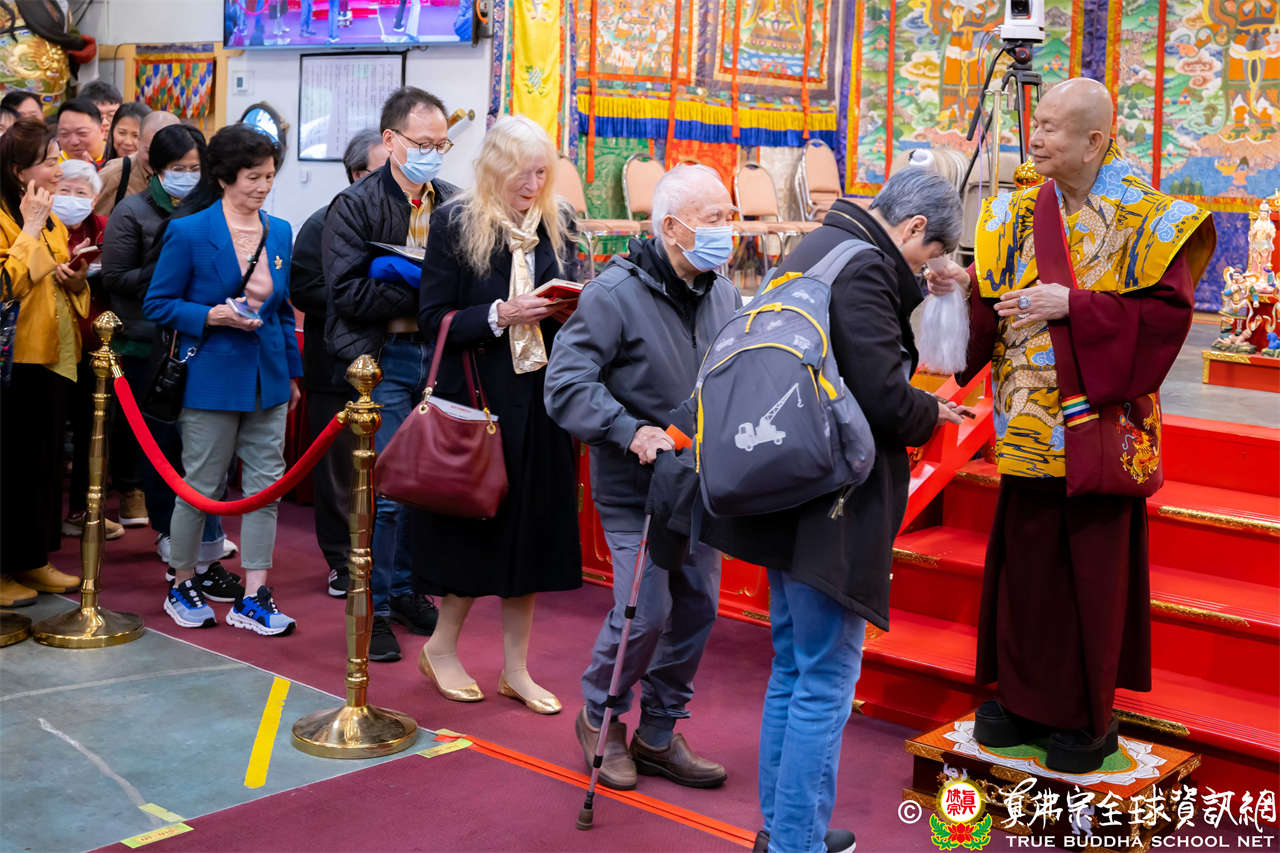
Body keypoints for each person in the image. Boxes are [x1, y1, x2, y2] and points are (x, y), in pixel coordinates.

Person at [956, 78, 1215, 774]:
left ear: (1095, 140)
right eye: (1036, 123)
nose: (1035, 136)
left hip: (1096, 431)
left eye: (1051, 126)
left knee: (1089, 579)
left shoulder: (1148, 218)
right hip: (1024, 428)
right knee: (1026, 573)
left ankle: (1085, 717)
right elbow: (989, 302)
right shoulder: (1015, 211)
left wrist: (1075, 305)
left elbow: (1166, 318)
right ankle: (1020, 701)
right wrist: (958, 292)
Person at [726, 168, 969, 853]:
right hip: (831, 499)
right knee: (826, 679)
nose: (923, 268)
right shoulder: (864, 268)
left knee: (794, 668)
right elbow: (883, 396)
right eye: (927, 254)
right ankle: (796, 842)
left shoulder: (820, 245)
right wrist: (933, 412)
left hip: (785, 484)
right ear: (915, 227)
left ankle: (785, 828)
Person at [544, 164, 739, 790]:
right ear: (673, 228)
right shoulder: (613, 293)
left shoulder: (724, 293)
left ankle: (658, 731)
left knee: (698, 608)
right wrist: (631, 430)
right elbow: (565, 383)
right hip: (637, 487)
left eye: (730, 215)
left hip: (699, 483)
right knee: (646, 611)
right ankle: (599, 718)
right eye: (714, 219)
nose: (728, 229)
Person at [411, 115, 582, 712]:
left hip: (541, 400)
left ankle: (516, 669)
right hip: (478, 402)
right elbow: (432, 320)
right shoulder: (456, 223)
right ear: (493, 169)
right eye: (521, 173)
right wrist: (499, 315)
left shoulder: (558, 223)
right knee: (473, 531)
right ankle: (441, 648)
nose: (533, 185)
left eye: (541, 173)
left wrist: (569, 310)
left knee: (531, 534)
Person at [143, 124, 302, 636]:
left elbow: (281, 312)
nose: (263, 186)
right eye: (253, 177)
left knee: (266, 488)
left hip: (267, 378)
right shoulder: (190, 232)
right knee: (201, 486)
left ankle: (254, 594)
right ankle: (182, 580)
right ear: (225, 177)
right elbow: (158, 304)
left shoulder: (280, 231)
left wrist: (292, 374)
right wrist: (211, 315)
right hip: (209, 374)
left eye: (269, 176)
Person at [323, 87, 458, 660]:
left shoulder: (452, 202)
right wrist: (421, 288)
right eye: (423, 143)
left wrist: (424, 286)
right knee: (388, 491)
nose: (433, 154)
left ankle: (404, 590)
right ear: (391, 140)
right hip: (383, 358)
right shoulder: (355, 205)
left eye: (442, 144)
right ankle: (372, 606)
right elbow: (346, 293)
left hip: (439, 356)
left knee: (424, 489)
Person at [102, 123, 239, 594]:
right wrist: (167, 267)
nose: (188, 175)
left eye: (195, 167)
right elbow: (115, 277)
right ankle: (167, 529)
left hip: (202, 337)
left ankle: (204, 534)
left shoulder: (209, 208)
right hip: (147, 341)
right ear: (156, 168)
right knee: (162, 443)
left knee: (203, 447)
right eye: (178, 168)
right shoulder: (133, 211)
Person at [291, 128, 388, 598]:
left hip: (390, 364)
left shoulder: (406, 222)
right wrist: (364, 294)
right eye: (383, 170)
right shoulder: (321, 223)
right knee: (338, 473)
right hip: (334, 366)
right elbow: (302, 291)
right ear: (355, 175)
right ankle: (340, 560)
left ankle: (386, 561)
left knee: (386, 470)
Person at [0, 119, 89, 606]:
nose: (59, 170)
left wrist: (75, 277)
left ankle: (33, 559)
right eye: (50, 161)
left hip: (55, 355)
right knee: (9, 470)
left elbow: (51, 273)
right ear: (19, 171)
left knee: (45, 465)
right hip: (13, 361)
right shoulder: (12, 216)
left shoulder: (50, 214)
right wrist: (31, 228)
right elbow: (7, 285)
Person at [53, 160, 134, 540]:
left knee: (94, 428)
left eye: (80, 192)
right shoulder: (41, 229)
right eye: (64, 191)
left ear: (94, 197)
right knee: (51, 431)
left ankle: (84, 510)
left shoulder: (103, 228)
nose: (71, 199)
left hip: (94, 343)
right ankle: (45, 516)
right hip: (50, 345)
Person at [95, 110, 181, 218]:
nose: (157, 160)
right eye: (150, 152)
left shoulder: (188, 174)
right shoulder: (115, 174)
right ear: (139, 141)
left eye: (166, 152)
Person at [56, 98, 104, 165]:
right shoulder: (54, 165)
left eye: (82, 133)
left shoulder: (116, 159)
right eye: (65, 134)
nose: (74, 142)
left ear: (102, 131)